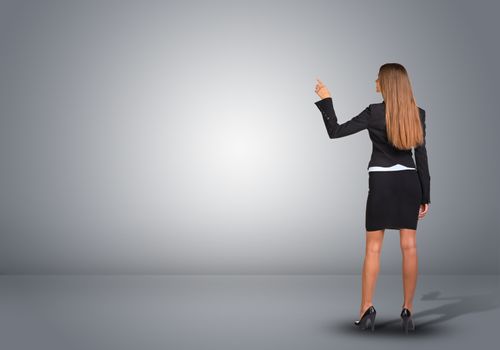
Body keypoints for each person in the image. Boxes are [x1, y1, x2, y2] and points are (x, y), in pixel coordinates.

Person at [313, 63, 431, 333]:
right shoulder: (418, 113)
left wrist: (327, 99)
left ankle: (366, 309)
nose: (375, 81)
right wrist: (426, 195)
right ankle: (407, 311)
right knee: (410, 247)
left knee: (373, 249)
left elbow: (336, 131)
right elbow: (421, 157)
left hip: (381, 182)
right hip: (409, 182)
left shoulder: (374, 112)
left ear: (387, 83)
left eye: (378, 78)